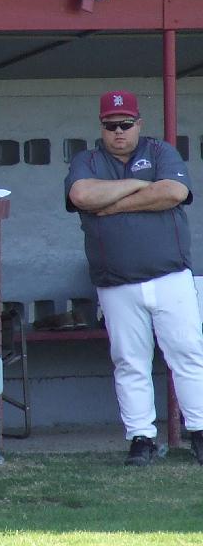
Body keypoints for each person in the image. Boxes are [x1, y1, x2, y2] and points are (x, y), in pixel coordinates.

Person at [65, 89, 203, 467]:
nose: (119, 132)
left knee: (188, 354)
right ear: (102, 128)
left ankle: (200, 431)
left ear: (138, 123)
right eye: (111, 125)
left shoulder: (160, 152)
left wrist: (113, 205)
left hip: (169, 276)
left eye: (126, 124)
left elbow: (174, 191)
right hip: (116, 282)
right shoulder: (87, 160)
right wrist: (141, 185)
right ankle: (141, 438)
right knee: (129, 361)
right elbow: (81, 194)